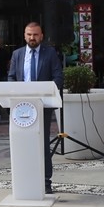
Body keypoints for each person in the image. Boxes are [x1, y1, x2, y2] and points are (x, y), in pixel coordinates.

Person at [7, 21, 63, 194]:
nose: (32, 37)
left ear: (41, 36)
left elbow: (58, 77)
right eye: (29, 34)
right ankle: (24, 180)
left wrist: (46, 93)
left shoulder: (50, 53)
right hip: (21, 107)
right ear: (24, 36)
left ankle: (46, 182)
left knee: (42, 143)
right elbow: (11, 77)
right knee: (22, 143)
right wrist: (15, 92)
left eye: (35, 34)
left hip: (42, 107)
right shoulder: (17, 54)